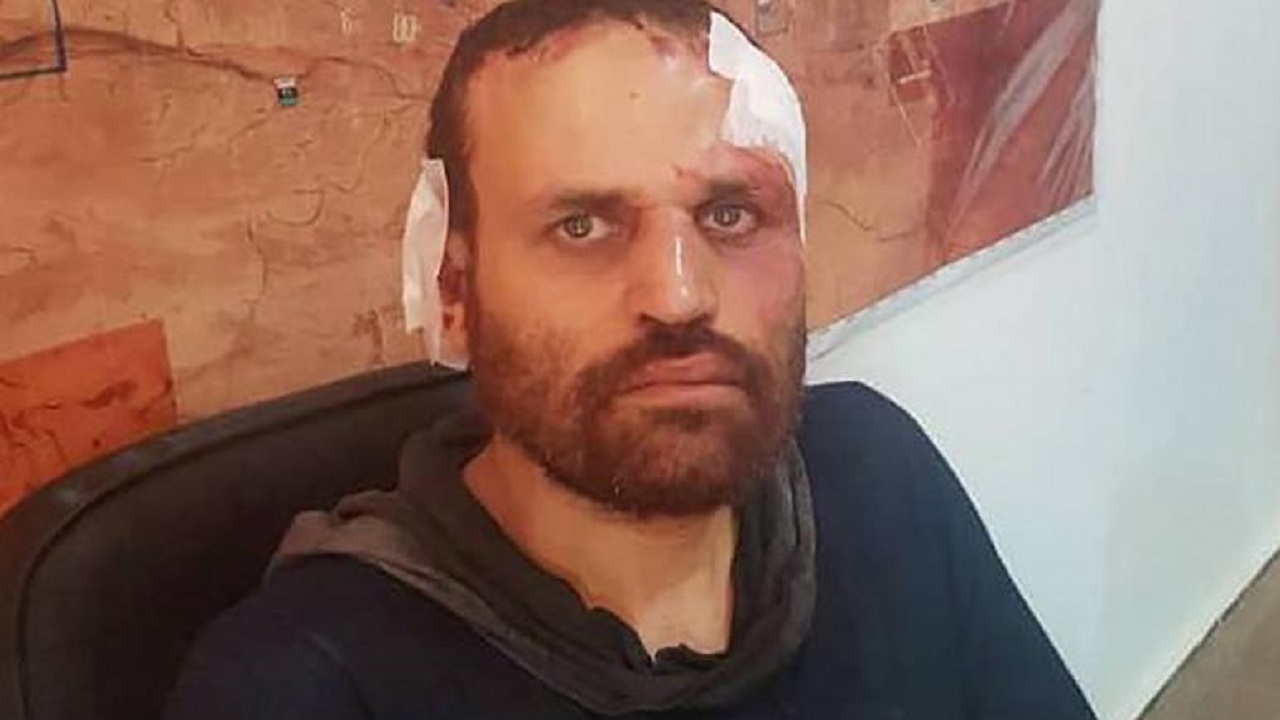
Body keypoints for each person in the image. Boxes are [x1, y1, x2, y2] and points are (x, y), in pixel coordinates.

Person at [165, 1, 1097, 718]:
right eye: (583, 225)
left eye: (730, 214)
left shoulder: (877, 472)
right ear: (452, 292)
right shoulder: (302, 684)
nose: (680, 295)